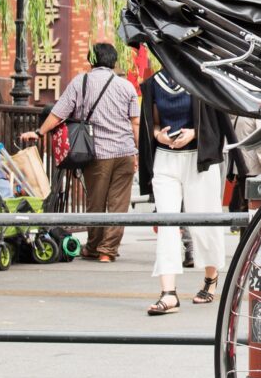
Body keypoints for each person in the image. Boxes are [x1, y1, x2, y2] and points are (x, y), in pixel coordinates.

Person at [19, 42, 140, 262]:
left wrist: (39, 132)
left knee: (96, 202)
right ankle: (108, 251)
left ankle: (94, 248)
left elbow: (59, 113)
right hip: (124, 153)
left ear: (92, 60)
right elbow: (135, 124)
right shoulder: (127, 87)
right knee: (118, 204)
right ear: (113, 62)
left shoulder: (80, 82)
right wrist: (137, 153)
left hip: (97, 154)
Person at [138, 65, 231, 314]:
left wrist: (194, 133)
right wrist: (160, 136)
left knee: (206, 220)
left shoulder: (201, 78)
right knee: (167, 223)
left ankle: (211, 279)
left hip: (199, 159)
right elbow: (154, 125)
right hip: (166, 159)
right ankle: (168, 293)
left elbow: (218, 121)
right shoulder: (153, 83)